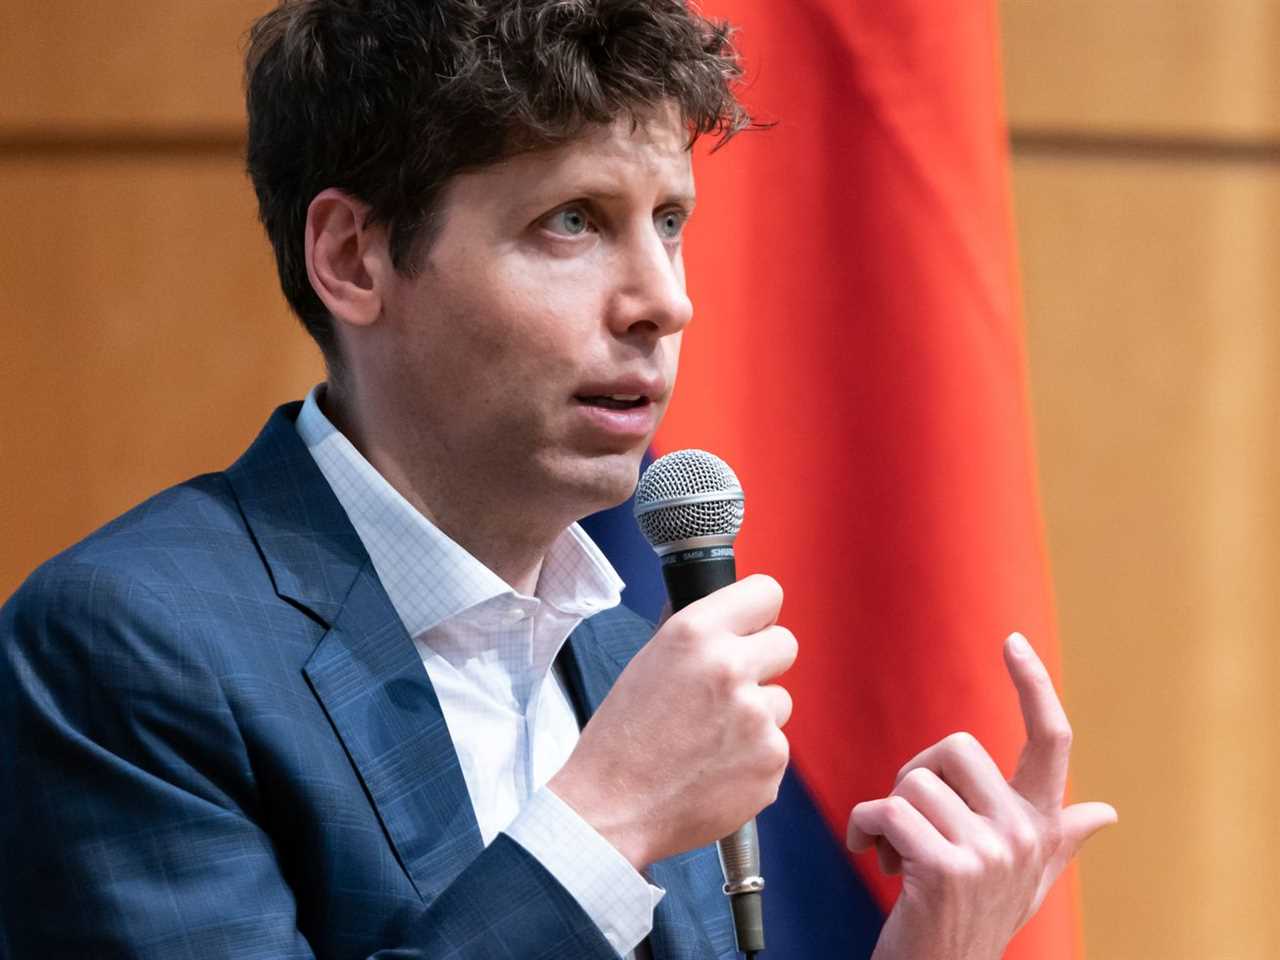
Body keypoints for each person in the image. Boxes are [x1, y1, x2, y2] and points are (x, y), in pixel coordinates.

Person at [0, 1, 1114, 958]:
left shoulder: (626, 649)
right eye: (571, 222)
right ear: (351, 258)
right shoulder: (127, 648)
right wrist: (603, 823)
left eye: (668, 222)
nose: (662, 300)